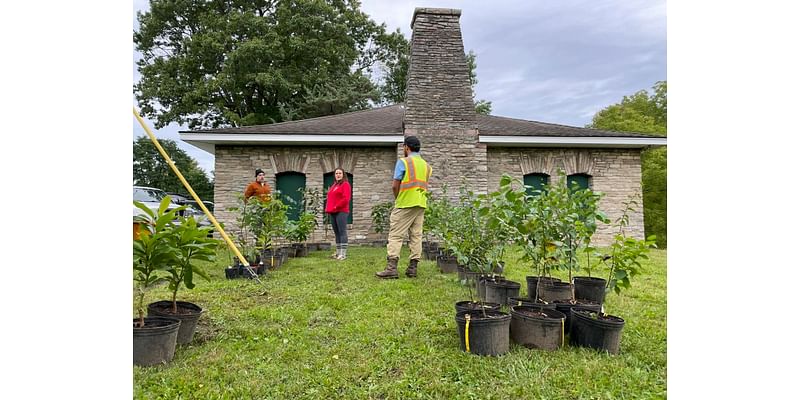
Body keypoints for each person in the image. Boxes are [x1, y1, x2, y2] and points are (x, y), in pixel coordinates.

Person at [376, 135, 432, 279]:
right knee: (416, 235)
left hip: (405, 203)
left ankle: (391, 268)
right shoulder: (427, 166)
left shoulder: (403, 162)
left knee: (396, 235)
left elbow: (395, 185)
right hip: (420, 204)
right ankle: (413, 268)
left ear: (407, 147)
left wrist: (398, 199)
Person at [325, 167, 352, 260]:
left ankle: (343, 254)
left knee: (342, 231)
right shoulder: (334, 185)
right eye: (336, 173)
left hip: (341, 211)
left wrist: (336, 206)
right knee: (336, 232)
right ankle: (338, 253)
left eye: (340, 173)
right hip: (333, 211)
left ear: (343, 174)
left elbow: (346, 199)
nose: (338, 175)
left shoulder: (345, 184)